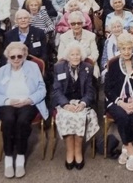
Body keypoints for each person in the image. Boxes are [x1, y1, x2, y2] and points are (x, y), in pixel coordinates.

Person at [0, 42, 47, 178]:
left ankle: (21, 156)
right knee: (9, 120)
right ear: (8, 57)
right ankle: (9, 157)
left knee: (22, 121)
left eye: (19, 56)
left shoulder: (33, 67)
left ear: (24, 56)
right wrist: (8, 101)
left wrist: (30, 99)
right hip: (7, 103)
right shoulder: (1, 71)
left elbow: (42, 89)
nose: (16, 59)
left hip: (28, 102)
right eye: (13, 57)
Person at [52, 41, 99, 170]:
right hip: (65, 103)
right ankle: (69, 151)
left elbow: (90, 90)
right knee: (67, 117)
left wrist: (83, 103)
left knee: (80, 117)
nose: (75, 57)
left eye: (77, 54)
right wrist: (65, 104)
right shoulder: (59, 68)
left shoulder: (87, 68)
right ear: (68, 56)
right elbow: (56, 90)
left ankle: (78, 151)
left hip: (81, 103)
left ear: (81, 55)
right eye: (72, 54)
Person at [104, 33, 133, 172]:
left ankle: (125, 146)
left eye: (129, 48)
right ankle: (131, 152)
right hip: (118, 101)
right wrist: (121, 103)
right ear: (120, 49)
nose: (127, 52)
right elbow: (108, 89)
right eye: (124, 49)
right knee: (123, 116)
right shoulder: (114, 64)